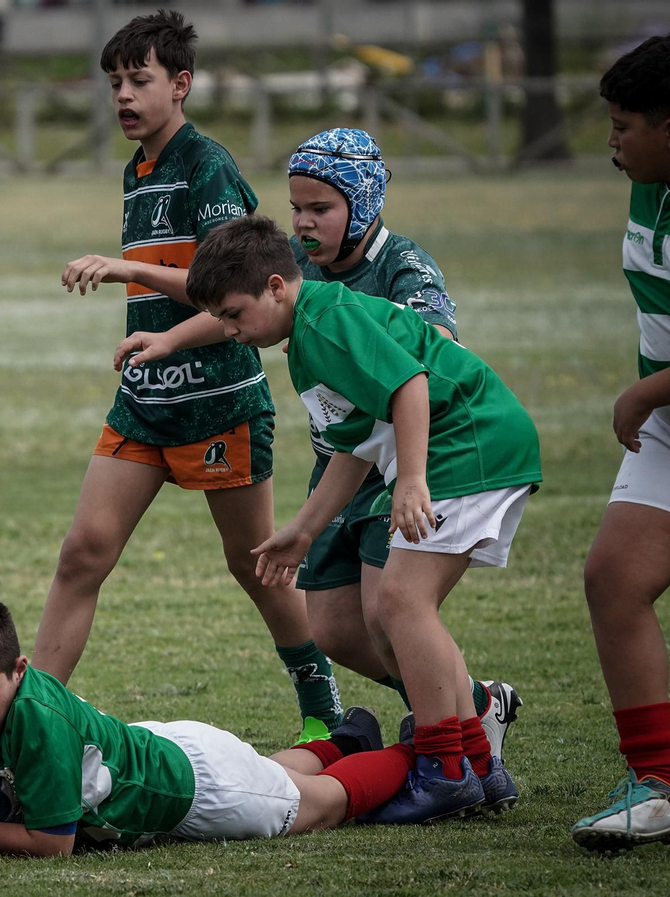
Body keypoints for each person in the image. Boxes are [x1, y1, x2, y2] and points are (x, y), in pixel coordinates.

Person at [39, 9, 343, 742]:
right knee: (82, 555)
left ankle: (322, 701)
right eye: (115, 82)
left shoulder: (207, 165)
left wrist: (130, 272)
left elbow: (237, 293)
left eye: (139, 80)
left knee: (255, 563)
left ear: (181, 84)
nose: (124, 95)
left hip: (218, 404)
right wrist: (149, 319)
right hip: (145, 401)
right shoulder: (136, 169)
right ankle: (30, 723)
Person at [186, 215, 542, 824]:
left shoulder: (325, 321)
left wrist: (411, 481)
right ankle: (478, 765)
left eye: (233, 313)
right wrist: (304, 528)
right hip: (464, 442)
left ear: (276, 286)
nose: (228, 330)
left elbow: (410, 385)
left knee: (400, 603)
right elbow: (354, 444)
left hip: (470, 442)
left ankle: (444, 771)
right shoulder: (306, 337)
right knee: (392, 611)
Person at [278, 128, 521, 799]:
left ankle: (449, 750)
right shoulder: (298, 265)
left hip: (396, 462)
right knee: (333, 627)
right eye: (296, 207)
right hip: (339, 462)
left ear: (361, 205)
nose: (303, 222)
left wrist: (363, 346)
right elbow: (237, 292)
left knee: (391, 613)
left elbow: (431, 350)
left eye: (320, 208)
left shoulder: (405, 266)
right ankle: (474, 701)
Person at [0, 596, 417, 856]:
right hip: (159, 752)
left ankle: (421, 754)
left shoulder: (37, 718)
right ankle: (349, 740)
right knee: (267, 774)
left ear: (19, 670)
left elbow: (53, 845)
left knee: (323, 805)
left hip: (191, 789)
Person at [571, 34, 670, 852]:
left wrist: (645, 389)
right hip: (668, 426)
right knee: (614, 575)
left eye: (625, 124)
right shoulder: (648, 186)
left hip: (659, 405)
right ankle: (660, 782)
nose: (611, 140)